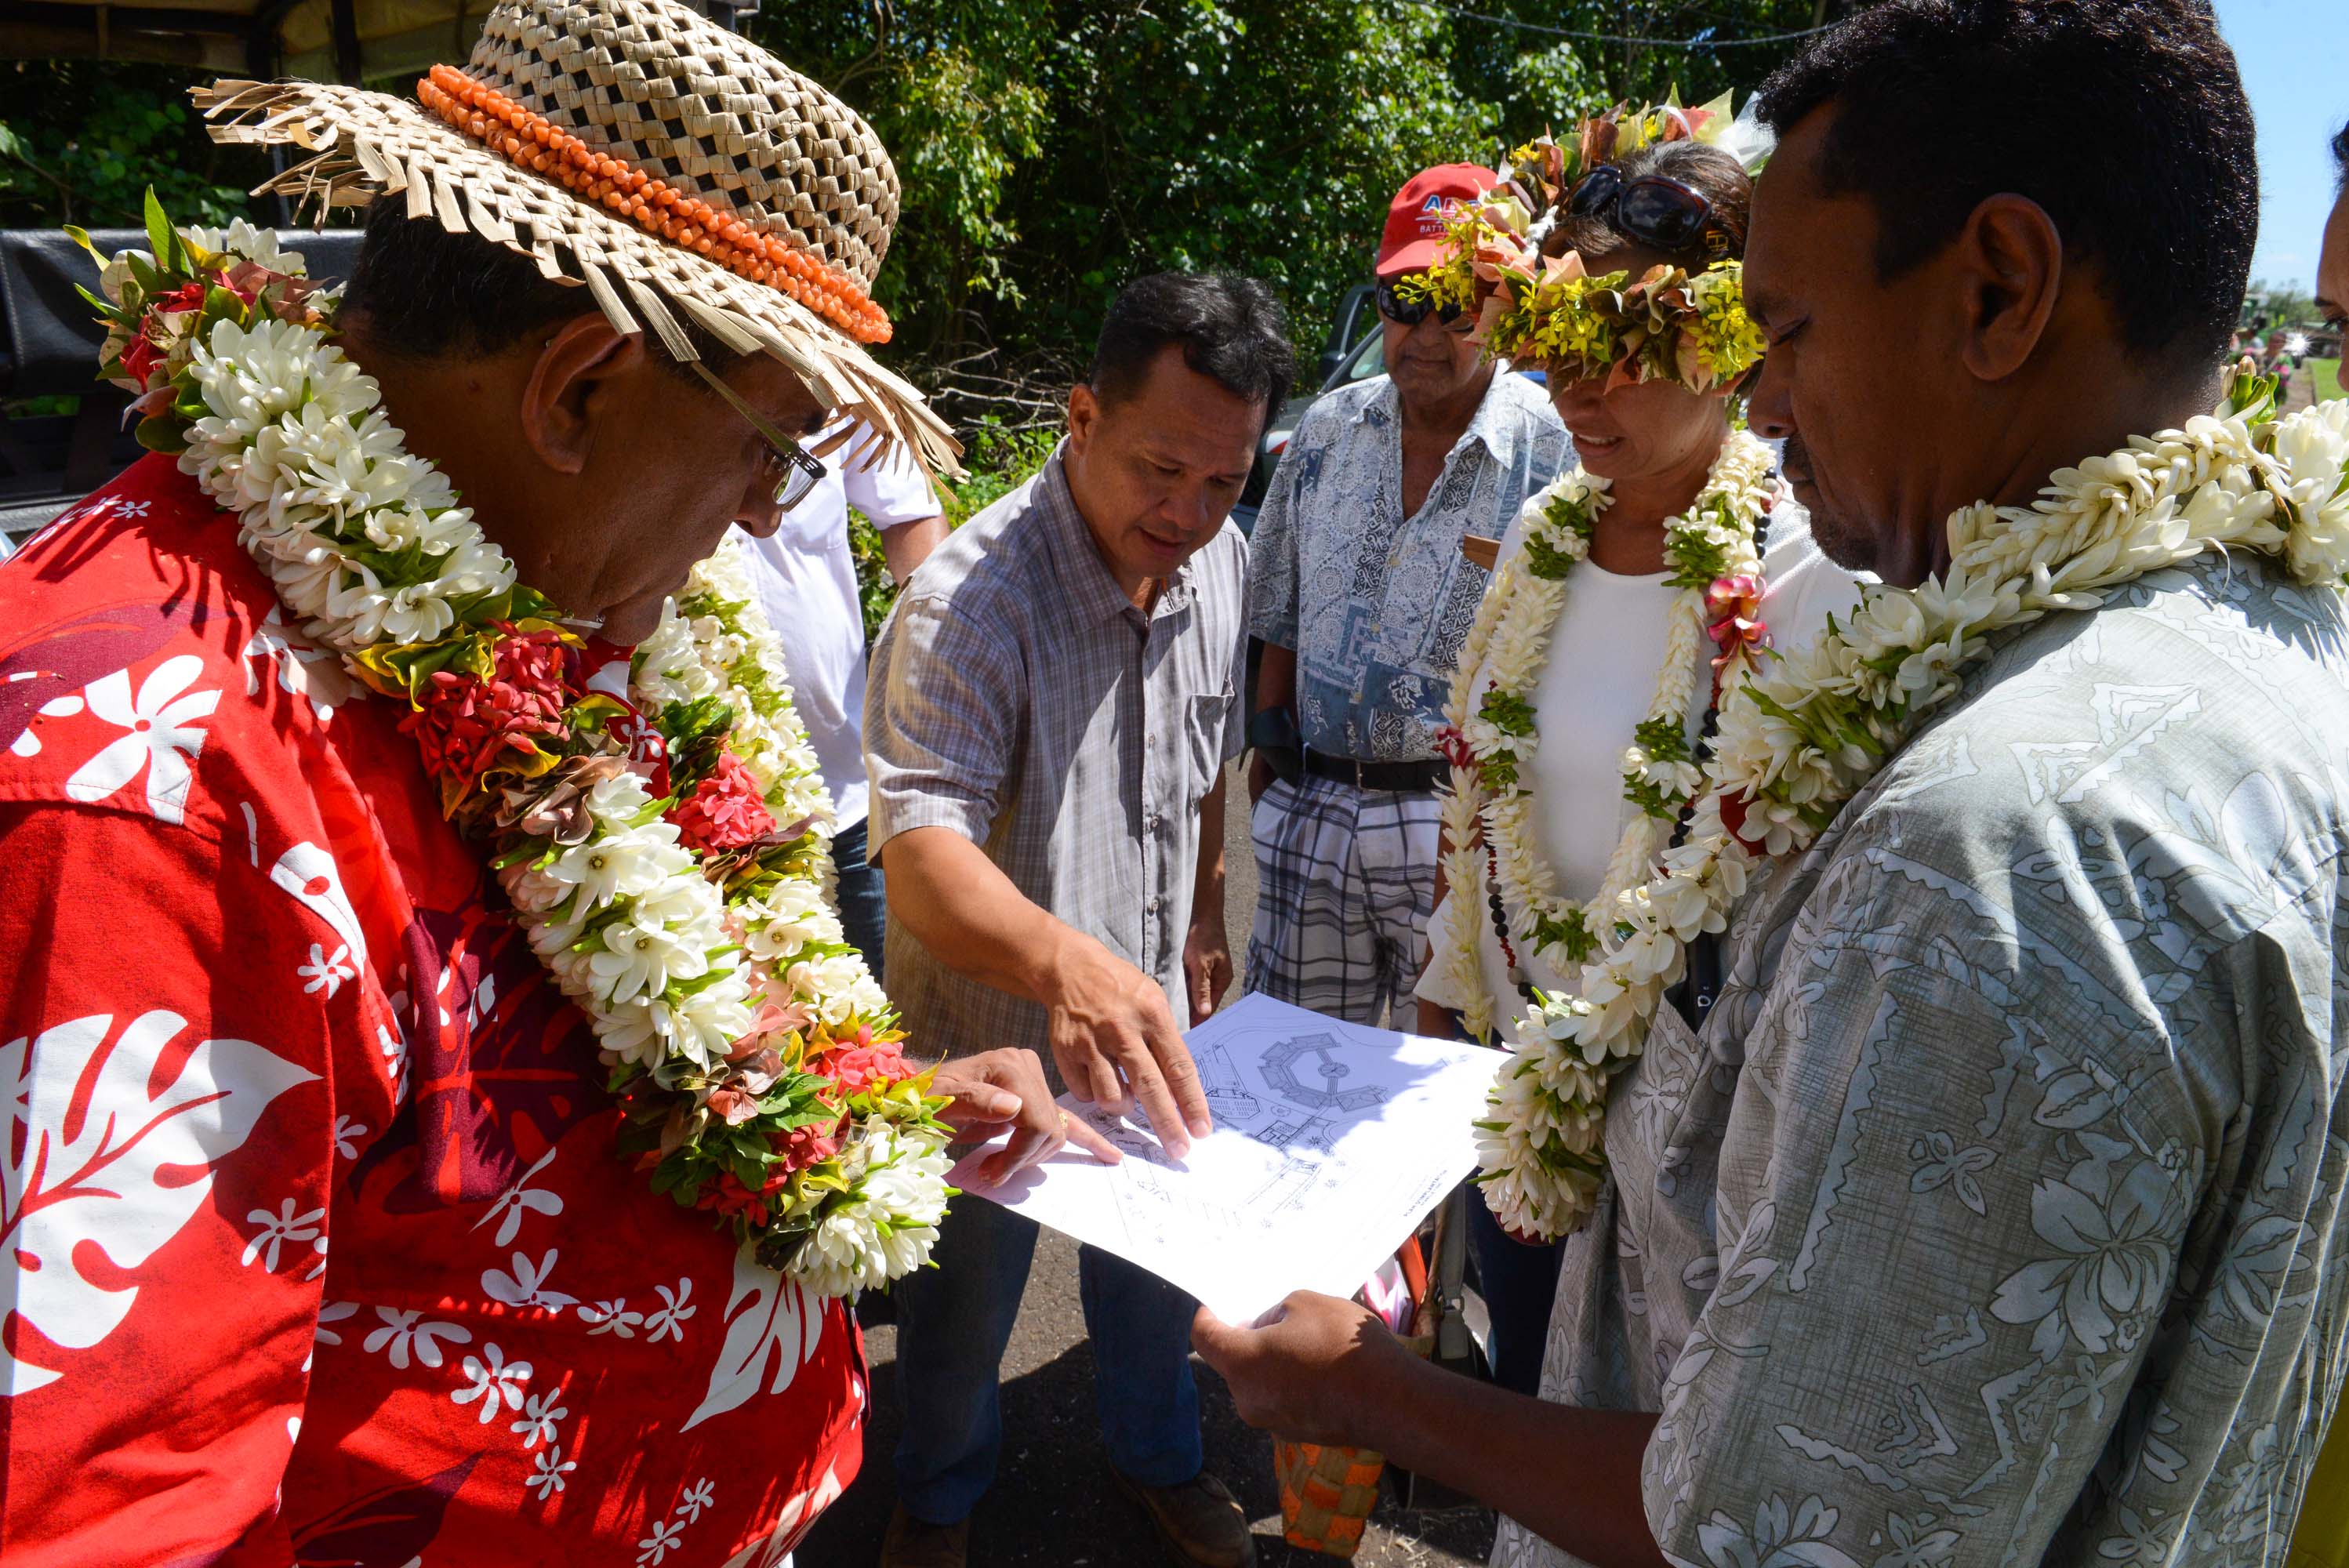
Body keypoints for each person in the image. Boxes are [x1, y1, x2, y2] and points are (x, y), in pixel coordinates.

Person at [1193, 5, 2349, 1566]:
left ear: (1998, 290)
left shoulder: (1998, 851)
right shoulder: (2274, 649)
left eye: (1785, 332)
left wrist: (1378, 1397)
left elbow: (1770, 1526)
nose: (1768, 400)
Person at [0, 2, 1096, 1559]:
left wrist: (883, 1106)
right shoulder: (155, 791)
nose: (753, 525)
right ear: (577, 391)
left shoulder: (576, 624)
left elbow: (515, 1104)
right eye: (773, 458)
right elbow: (104, 1512)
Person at [1403, 103, 1862, 1397]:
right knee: (1522, 1423)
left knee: (1653, 1458)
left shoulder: (1806, 572)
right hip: (1514, 1095)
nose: (1578, 388)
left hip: (1697, 1138)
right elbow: (1488, 805)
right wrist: (1447, 1003)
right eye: (1557, 341)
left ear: (1728, 342)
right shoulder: (1544, 534)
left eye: (1626, 346)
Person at [864, 272, 1294, 1568]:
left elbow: (1210, 754)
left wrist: (1205, 906)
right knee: (962, 1303)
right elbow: (919, 852)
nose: (1188, 510)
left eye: (1223, 482)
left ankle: (1156, 1456)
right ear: (1081, 415)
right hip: (988, 1028)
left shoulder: (1217, 560)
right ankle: (935, 1502)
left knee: (1156, 1274)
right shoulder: (967, 600)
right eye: (1163, 468)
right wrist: (1062, 966)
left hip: (1147, 1000)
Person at [1243, 164, 1568, 1025]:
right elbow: (1276, 612)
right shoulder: (1323, 429)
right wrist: (1269, 786)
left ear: (1504, 305)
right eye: (1404, 298)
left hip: (1460, 830)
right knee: (1288, 1075)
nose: (1425, 330)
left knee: (1440, 1108)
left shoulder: (1556, 454)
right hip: (1312, 804)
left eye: (1457, 301)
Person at [735, 417, 947, 978]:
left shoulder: (829, 386)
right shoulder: (651, 375)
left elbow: (908, 511)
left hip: (843, 795)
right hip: (703, 794)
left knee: (876, 1020)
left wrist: (940, 656)